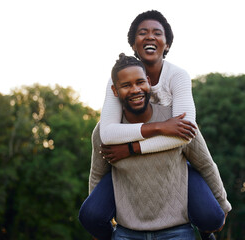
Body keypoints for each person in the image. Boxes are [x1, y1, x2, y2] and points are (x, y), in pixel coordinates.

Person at [79, 10, 227, 240]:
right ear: (133, 44)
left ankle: (206, 232)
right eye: (142, 33)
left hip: (172, 162)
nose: (150, 36)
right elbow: (107, 133)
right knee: (91, 213)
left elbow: (185, 133)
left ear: (167, 44)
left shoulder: (177, 76)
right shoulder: (116, 79)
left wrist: (131, 148)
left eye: (157, 33)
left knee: (212, 215)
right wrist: (157, 128)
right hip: (133, 161)